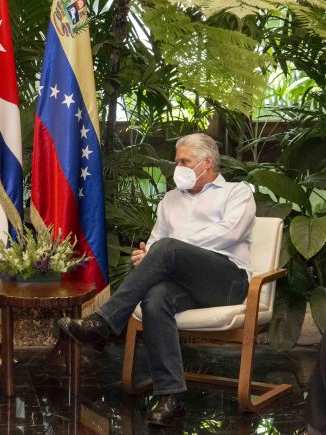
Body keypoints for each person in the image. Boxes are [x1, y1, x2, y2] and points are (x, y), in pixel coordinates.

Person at [59, 133, 256, 427]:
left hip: (227, 281)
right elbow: (155, 243)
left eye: (184, 161)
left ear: (207, 162)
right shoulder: (170, 200)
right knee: (155, 300)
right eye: (176, 161)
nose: (178, 167)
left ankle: (104, 322)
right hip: (183, 283)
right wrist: (148, 256)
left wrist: (166, 249)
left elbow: (229, 233)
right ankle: (171, 397)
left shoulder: (237, 193)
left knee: (167, 249)